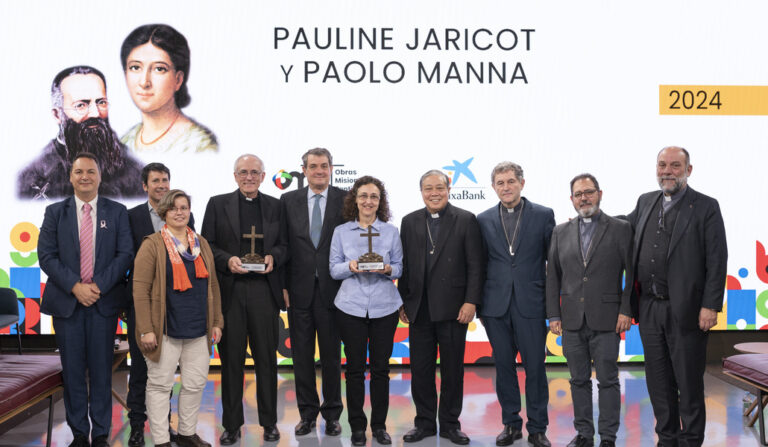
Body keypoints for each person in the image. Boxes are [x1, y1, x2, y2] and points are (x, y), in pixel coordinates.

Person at [624, 146, 727, 447]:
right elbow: (622, 227)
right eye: (662, 165)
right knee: (658, 382)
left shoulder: (706, 206)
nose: (667, 171)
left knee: (689, 382)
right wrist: (589, 221)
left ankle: (691, 440)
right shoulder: (646, 201)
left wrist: (710, 306)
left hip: (688, 310)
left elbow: (717, 259)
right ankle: (666, 438)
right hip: (649, 309)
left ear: (688, 170)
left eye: (674, 166)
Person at [37, 152, 133, 447]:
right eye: (79, 172)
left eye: (90, 171)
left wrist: (98, 287)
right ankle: (79, 433)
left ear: (99, 176)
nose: (85, 177)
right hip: (68, 305)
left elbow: (125, 254)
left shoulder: (117, 211)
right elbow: (47, 256)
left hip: (102, 304)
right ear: (71, 177)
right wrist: (76, 286)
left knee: (103, 372)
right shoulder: (55, 212)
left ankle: (101, 433)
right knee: (74, 372)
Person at [397, 170, 484, 446]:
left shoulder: (466, 219)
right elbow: (406, 266)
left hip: (454, 309)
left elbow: (476, 265)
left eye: (439, 187)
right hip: (419, 309)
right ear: (420, 191)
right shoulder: (409, 221)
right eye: (427, 188)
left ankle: (449, 424)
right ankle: (423, 423)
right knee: (420, 370)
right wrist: (403, 300)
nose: (434, 193)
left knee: (452, 370)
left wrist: (471, 301)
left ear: (449, 188)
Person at [546, 174, 633, 447]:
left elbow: (632, 274)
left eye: (589, 192)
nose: (584, 197)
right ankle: (584, 434)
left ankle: (608, 437)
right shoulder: (559, 232)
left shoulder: (620, 228)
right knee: (577, 380)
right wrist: (553, 314)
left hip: (608, 319)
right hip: (571, 319)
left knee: (608, 380)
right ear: (571, 199)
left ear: (600, 194)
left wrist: (626, 310)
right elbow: (553, 277)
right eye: (578, 194)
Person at [201, 154, 283, 443]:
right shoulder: (216, 203)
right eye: (243, 172)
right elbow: (206, 243)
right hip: (230, 293)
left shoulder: (276, 205)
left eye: (255, 172)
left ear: (263, 176)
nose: (249, 177)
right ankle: (232, 425)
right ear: (235, 176)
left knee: (266, 362)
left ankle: (269, 423)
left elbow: (285, 244)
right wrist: (227, 260)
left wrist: (274, 256)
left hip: (264, 292)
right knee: (231, 363)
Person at [133, 189, 223, 447]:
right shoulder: (152, 244)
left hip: (199, 328)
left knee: (195, 385)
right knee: (160, 386)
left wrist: (217, 321)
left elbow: (213, 286)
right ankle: (161, 440)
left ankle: (186, 434)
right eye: (173, 208)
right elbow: (140, 290)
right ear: (164, 212)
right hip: (165, 329)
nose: (180, 212)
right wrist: (146, 329)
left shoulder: (201, 243)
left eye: (184, 207)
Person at [476, 162, 554, 447]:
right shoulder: (482, 219)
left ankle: (538, 428)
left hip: (531, 304)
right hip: (495, 307)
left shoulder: (544, 215)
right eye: (500, 183)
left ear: (522, 183)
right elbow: (479, 265)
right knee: (504, 367)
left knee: (535, 368)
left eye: (511, 181)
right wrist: (479, 306)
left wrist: (552, 306)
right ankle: (511, 424)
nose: (506, 187)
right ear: (494, 187)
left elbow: (553, 264)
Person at [275, 148, 345, 437]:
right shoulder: (287, 200)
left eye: (324, 166)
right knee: (301, 356)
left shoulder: (346, 199)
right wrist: (282, 286)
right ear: (303, 170)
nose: (319, 170)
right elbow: (282, 244)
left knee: (331, 356)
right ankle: (306, 414)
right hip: (299, 291)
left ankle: (332, 415)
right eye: (313, 166)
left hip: (334, 291)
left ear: (331, 169)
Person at [329, 176, 403, 446]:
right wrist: (350, 266)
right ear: (355, 200)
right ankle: (358, 427)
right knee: (355, 370)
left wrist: (387, 269)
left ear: (380, 201)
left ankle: (380, 426)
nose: (368, 201)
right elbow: (333, 268)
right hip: (351, 307)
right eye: (363, 196)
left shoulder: (391, 231)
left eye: (374, 196)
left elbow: (399, 267)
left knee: (381, 369)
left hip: (385, 308)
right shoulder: (341, 232)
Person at [125, 163, 195, 446]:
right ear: (145, 185)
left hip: (174, 306)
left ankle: (163, 428)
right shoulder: (130, 217)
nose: (161, 185)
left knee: (165, 370)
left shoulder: (183, 217)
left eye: (165, 180)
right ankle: (138, 427)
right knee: (141, 369)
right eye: (155, 181)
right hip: (142, 305)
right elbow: (125, 261)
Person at [17, 65, 144, 200]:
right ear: (57, 115)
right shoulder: (34, 177)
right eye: (81, 105)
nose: (95, 113)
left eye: (101, 102)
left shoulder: (134, 167)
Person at [120, 24, 217, 154]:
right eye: (135, 68)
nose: (144, 82)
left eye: (159, 69)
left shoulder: (199, 146)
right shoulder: (126, 141)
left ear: (178, 80)